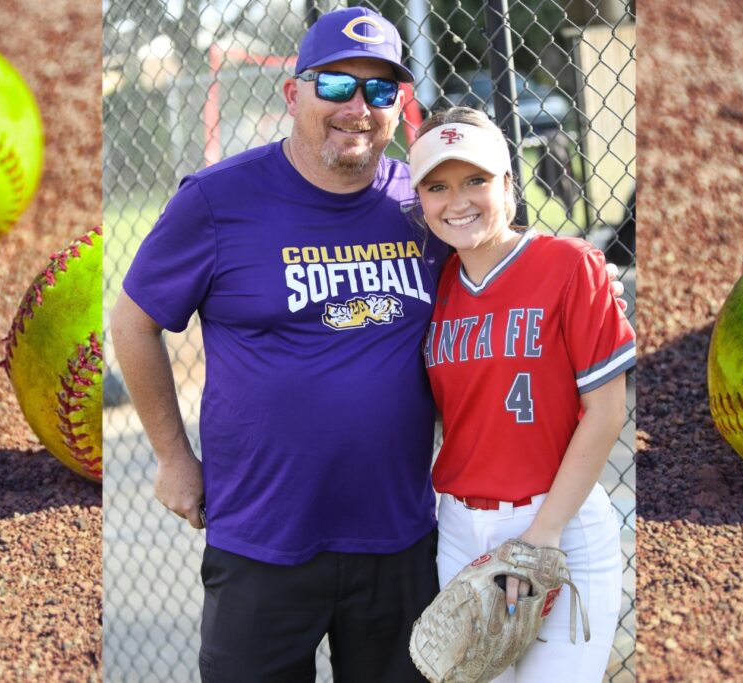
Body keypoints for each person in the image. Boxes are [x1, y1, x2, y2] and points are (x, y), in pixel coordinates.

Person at [110, 7, 626, 681]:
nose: (358, 107)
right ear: (292, 92)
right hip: (263, 537)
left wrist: (590, 281)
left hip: (397, 539)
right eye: (335, 85)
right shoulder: (218, 200)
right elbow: (133, 322)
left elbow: (497, 267)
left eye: (381, 89)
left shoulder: (421, 205)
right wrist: (173, 457)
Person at [408, 107, 635, 682]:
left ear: (508, 183)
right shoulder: (433, 287)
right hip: (461, 530)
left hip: (558, 523)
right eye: (438, 186)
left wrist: (543, 535)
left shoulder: (570, 265)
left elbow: (607, 412)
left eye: (475, 180)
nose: (458, 200)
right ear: (421, 200)